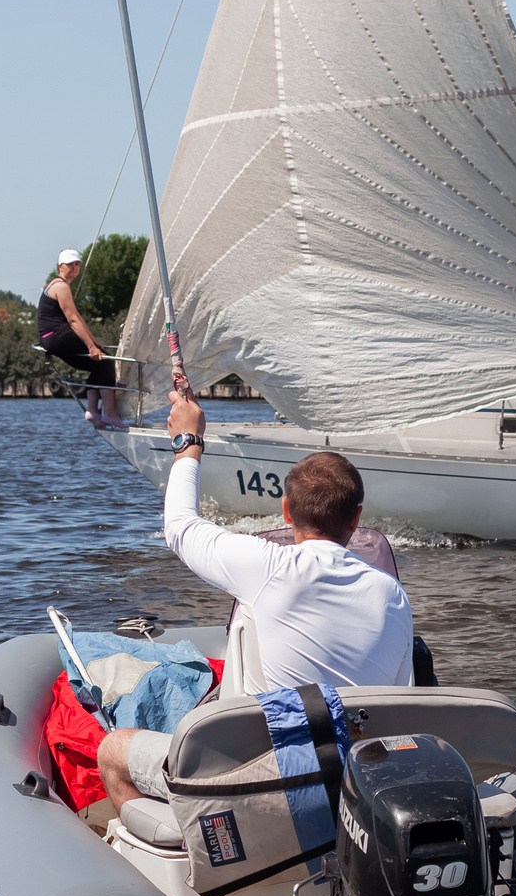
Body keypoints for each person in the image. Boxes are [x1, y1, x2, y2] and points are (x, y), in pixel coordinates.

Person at [95, 389, 414, 804]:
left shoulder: (270, 568)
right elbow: (399, 701)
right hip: (358, 787)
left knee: (113, 749)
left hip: (271, 784)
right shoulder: (393, 595)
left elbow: (179, 526)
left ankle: (169, 854)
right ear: (356, 517)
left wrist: (187, 442)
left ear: (285, 511)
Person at [39, 249, 123, 428]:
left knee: (97, 365)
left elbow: (77, 316)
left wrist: (94, 342)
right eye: (70, 265)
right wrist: (91, 347)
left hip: (52, 337)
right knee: (107, 362)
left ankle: (93, 412)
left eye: (77, 264)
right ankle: (109, 413)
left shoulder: (58, 285)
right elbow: (72, 320)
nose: (74, 268)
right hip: (57, 335)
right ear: (60, 267)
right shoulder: (60, 287)